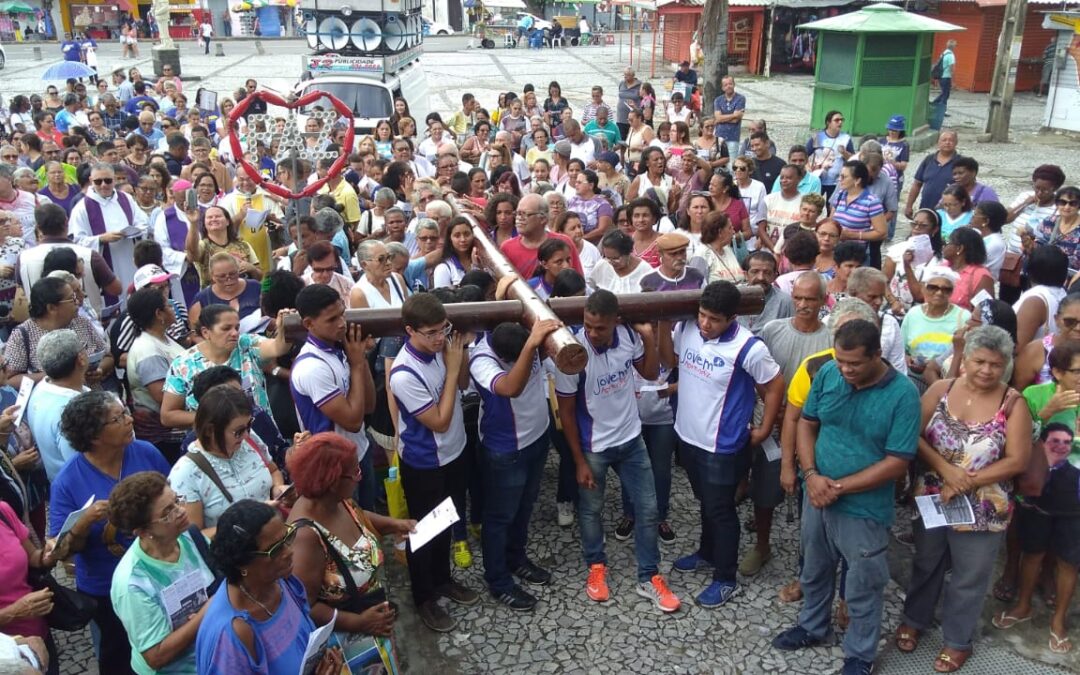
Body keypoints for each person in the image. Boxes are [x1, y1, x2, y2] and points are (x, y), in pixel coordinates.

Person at [771, 319, 920, 675]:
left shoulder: (903, 395)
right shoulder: (827, 374)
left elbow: (897, 462)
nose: (846, 369)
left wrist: (837, 487)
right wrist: (810, 474)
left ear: (878, 356)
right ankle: (812, 626)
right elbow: (807, 423)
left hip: (863, 507)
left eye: (855, 363)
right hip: (816, 494)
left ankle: (860, 655)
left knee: (864, 582)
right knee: (815, 567)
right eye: (841, 360)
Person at [893, 325, 1030, 672]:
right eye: (979, 361)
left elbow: (1017, 460)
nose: (986, 370)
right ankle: (915, 618)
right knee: (927, 560)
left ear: (1006, 366)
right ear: (964, 359)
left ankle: (957, 640)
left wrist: (967, 481)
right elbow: (914, 434)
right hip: (934, 495)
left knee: (970, 574)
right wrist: (946, 470)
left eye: (995, 364)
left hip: (984, 505)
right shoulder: (941, 388)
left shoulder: (1012, 402)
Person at [554, 290, 681, 612]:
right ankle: (596, 566)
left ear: (615, 322)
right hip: (594, 448)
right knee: (591, 510)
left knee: (649, 509)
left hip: (631, 440)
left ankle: (649, 576)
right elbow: (566, 413)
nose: (593, 333)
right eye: (588, 325)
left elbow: (651, 374)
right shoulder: (571, 352)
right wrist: (578, 460)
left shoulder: (627, 336)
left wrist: (648, 336)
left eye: (600, 328)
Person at [48, 391, 171, 675]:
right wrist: (83, 523)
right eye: (119, 418)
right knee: (119, 656)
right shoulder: (68, 481)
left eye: (125, 413)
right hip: (108, 588)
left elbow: (174, 497)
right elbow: (61, 551)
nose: (130, 420)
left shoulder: (146, 452)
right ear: (94, 436)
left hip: (161, 573)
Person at [286, 433, 415, 672]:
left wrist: (395, 524)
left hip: (373, 624)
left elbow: (359, 516)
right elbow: (305, 606)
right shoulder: (306, 538)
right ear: (333, 480)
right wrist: (359, 622)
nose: (360, 476)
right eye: (355, 472)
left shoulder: (337, 500)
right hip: (348, 649)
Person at [389, 293, 479, 632]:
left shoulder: (442, 348)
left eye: (443, 329)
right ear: (410, 330)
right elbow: (438, 421)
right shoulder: (403, 373)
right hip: (426, 462)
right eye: (431, 333)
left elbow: (465, 383)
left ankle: (443, 579)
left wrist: (461, 356)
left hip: (455, 452)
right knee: (423, 533)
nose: (440, 338)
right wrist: (453, 367)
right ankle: (423, 597)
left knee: (447, 521)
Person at [469, 319, 562, 610]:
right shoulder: (481, 360)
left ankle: (517, 559)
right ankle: (498, 581)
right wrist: (532, 345)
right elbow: (510, 388)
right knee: (499, 518)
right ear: (506, 357)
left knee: (524, 508)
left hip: (536, 438)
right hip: (505, 450)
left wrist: (540, 340)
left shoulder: (520, 338)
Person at [994, 344, 1080, 654]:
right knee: (1033, 552)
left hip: (1076, 497)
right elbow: (1017, 442)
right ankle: (1023, 605)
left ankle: (1059, 621)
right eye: (1077, 371)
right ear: (1057, 372)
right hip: (1038, 492)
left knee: (1070, 561)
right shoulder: (1033, 396)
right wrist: (1048, 412)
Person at [194, 500, 345, 675]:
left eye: (287, 537)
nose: (289, 552)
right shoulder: (232, 634)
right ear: (242, 563)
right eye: (275, 550)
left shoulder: (281, 581)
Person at [108, 471, 216, 675]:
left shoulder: (189, 538)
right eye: (168, 512)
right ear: (142, 531)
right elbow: (156, 656)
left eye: (177, 501)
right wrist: (210, 611)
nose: (181, 511)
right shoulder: (133, 583)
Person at [291, 284, 378, 510]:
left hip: (360, 452)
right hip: (334, 468)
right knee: (351, 534)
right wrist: (358, 364)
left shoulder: (339, 350)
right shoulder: (312, 366)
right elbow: (352, 421)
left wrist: (361, 359)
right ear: (309, 324)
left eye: (342, 314)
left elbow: (368, 406)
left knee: (370, 525)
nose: (341, 323)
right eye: (331, 319)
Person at [169, 384, 286, 536]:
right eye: (238, 431)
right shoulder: (186, 473)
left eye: (249, 425)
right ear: (211, 430)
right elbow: (193, 538)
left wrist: (278, 488)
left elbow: (274, 470)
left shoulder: (249, 440)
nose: (245, 435)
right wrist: (247, 524)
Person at [160, 304, 294, 429]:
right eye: (226, 328)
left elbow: (278, 348)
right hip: (214, 445)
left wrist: (284, 328)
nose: (235, 333)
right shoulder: (183, 364)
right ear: (206, 332)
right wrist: (214, 418)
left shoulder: (247, 344)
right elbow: (168, 416)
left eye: (237, 327)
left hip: (262, 438)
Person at [4, 276, 111, 390]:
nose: (78, 302)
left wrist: (100, 369)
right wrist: (55, 376)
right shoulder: (22, 334)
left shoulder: (81, 322)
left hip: (92, 400)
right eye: (72, 299)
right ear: (51, 308)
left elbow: (108, 356)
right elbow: (9, 380)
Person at [125, 286, 189, 465]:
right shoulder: (148, 350)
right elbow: (162, 395)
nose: (173, 308)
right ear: (159, 314)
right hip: (166, 437)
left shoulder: (162, 339)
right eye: (168, 305)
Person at [901, 266, 971, 386]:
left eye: (946, 289)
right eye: (933, 287)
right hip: (914, 375)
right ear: (923, 288)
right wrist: (907, 358)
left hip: (945, 375)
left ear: (952, 292)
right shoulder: (913, 313)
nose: (939, 292)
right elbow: (901, 348)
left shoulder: (963, 317)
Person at [500, 193, 582, 279]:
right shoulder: (507, 248)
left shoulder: (564, 242)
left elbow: (579, 280)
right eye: (517, 213)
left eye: (525, 214)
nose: (519, 218)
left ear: (543, 219)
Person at [183, 204, 260, 288]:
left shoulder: (244, 245)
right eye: (209, 217)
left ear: (227, 221)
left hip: (244, 295)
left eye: (218, 216)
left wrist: (252, 269)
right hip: (213, 299)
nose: (214, 219)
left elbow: (259, 276)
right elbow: (192, 254)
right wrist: (193, 223)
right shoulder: (203, 245)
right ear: (204, 224)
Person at [189, 252, 262, 328]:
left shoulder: (255, 287)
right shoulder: (203, 299)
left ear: (238, 271)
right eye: (222, 276)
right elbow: (194, 333)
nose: (229, 279)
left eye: (233, 274)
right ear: (212, 276)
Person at [904, 130, 960, 219]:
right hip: (926, 208)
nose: (947, 142)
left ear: (956, 143)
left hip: (949, 212)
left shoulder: (961, 163)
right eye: (944, 140)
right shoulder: (929, 160)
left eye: (951, 140)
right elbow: (917, 184)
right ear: (938, 142)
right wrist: (909, 205)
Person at [739, 251, 794, 336]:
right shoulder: (735, 297)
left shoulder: (785, 302)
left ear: (774, 276)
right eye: (755, 272)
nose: (761, 277)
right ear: (746, 274)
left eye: (767, 273)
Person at [943, 226, 994, 312]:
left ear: (959, 248)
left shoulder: (980, 276)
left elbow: (985, 312)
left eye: (947, 242)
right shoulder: (943, 267)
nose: (943, 245)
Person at [639, 232, 705, 292]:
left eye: (682, 252)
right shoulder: (647, 281)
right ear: (660, 254)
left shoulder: (697, 276)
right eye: (673, 254)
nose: (679, 257)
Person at [712, 76, 745, 162]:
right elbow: (718, 118)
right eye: (725, 85)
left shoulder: (740, 99)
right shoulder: (718, 100)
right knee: (718, 161)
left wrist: (722, 118)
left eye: (730, 84)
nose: (728, 86)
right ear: (723, 88)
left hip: (733, 137)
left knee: (731, 163)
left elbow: (736, 120)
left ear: (734, 84)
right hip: (719, 136)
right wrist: (734, 115)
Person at [933, 39, 958, 106]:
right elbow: (951, 69)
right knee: (945, 95)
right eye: (956, 45)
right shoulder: (951, 55)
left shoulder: (944, 53)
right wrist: (953, 81)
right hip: (946, 77)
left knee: (944, 93)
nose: (956, 46)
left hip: (941, 76)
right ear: (953, 47)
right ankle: (939, 108)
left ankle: (936, 105)